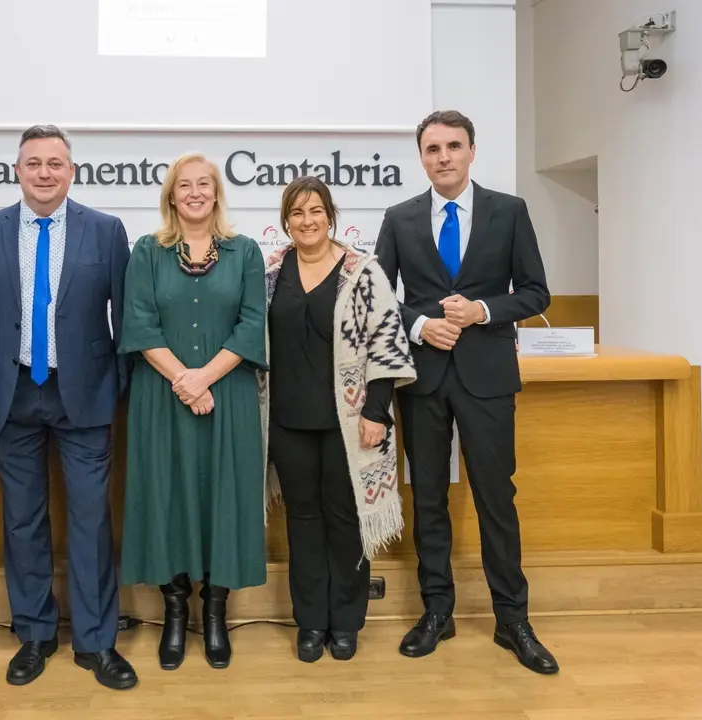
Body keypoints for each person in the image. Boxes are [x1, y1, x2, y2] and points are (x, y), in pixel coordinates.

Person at [374, 110, 559, 674]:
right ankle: (438, 612)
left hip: (487, 377)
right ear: (422, 157)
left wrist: (482, 310)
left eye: (454, 146)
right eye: (433, 149)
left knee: (495, 498)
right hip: (423, 377)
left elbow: (536, 292)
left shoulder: (509, 211)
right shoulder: (400, 217)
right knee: (427, 496)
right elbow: (380, 297)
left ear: (473, 151)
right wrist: (419, 325)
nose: (444, 157)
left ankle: (513, 620)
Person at [0, 125, 137, 690]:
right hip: (11, 394)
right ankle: (34, 635)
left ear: (71, 171)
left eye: (54, 163)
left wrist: (118, 391)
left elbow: (126, 318)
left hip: (82, 395)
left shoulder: (106, 231)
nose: (44, 172)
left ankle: (96, 641)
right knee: (23, 520)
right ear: (16, 170)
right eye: (33, 163)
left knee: (90, 520)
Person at [118, 152, 267, 671]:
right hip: (162, 397)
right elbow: (138, 324)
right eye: (186, 185)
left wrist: (203, 378)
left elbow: (252, 325)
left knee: (223, 496)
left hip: (228, 396)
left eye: (206, 184)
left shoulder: (245, 251)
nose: (196, 192)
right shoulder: (146, 251)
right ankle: (176, 612)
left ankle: (217, 614)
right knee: (167, 495)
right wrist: (184, 378)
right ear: (171, 195)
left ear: (217, 192)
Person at [261, 176, 416, 663]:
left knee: (346, 522)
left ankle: (346, 624)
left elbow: (387, 346)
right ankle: (311, 624)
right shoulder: (267, 273)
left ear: (332, 215)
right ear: (285, 220)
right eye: (297, 213)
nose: (307, 222)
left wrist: (376, 412)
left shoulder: (362, 272)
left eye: (316, 211)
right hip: (287, 422)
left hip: (348, 425)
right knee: (303, 523)